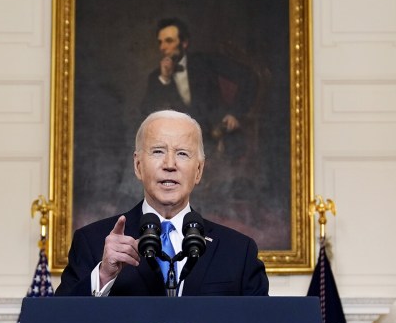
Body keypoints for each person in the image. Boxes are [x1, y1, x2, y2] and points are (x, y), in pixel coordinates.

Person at [55, 110, 268, 297]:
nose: (169, 164)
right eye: (158, 151)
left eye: (182, 153)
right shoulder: (93, 242)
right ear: (138, 166)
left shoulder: (238, 251)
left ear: (199, 171)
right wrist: (103, 276)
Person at [140, 18, 250, 156]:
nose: (162, 47)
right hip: (179, 145)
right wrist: (165, 80)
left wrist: (235, 112)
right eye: (160, 42)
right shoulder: (156, 77)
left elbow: (248, 77)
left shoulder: (206, 62)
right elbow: (146, 112)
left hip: (219, 134)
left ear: (184, 43)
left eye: (168, 41)